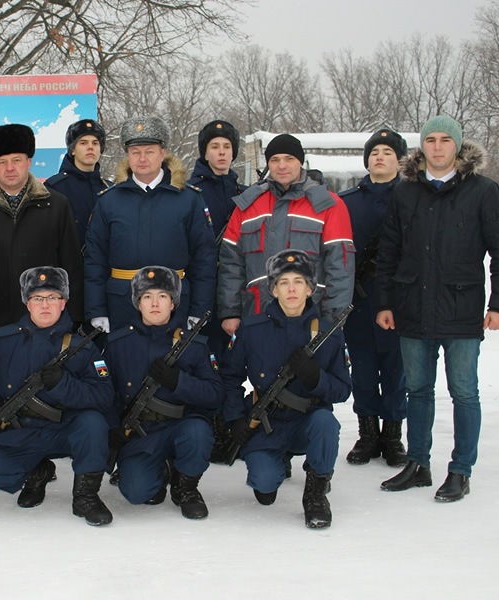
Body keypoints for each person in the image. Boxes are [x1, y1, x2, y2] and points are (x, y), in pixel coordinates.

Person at [376, 116, 499, 502]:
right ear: (423, 147)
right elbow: (388, 253)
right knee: (418, 390)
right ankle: (418, 463)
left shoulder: (483, 191)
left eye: (445, 140)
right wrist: (385, 303)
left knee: (464, 392)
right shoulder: (405, 193)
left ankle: (460, 471)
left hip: (460, 308)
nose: (437, 147)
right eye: (430, 140)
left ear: (457, 146)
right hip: (412, 309)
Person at [0, 266, 114, 526]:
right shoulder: (1, 340)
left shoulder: (82, 348)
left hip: (66, 429)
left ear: (64, 302)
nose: (45, 305)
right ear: (27, 303)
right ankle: (38, 471)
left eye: (53, 297)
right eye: (38, 298)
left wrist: (63, 384)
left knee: (93, 423)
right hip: (21, 430)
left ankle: (86, 497)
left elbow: (104, 396)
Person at [220, 250, 352, 529]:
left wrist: (316, 377)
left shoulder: (329, 334)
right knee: (264, 488)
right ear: (273, 290)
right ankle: (275, 463)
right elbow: (229, 377)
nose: (291, 288)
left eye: (298, 282)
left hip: (308, 421)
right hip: (267, 422)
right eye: (283, 282)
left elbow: (342, 391)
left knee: (326, 422)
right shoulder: (252, 329)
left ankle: (316, 490)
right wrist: (235, 418)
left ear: (309, 289)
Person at [104, 267, 224, 519]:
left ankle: (186, 486)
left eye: (162, 296)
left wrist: (178, 381)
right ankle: (162, 470)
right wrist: (112, 426)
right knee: (137, 493)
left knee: (198, 432)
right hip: (142, 434)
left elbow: (214, 395)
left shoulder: (195, 345)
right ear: (138, 303)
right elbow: (107, 393)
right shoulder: (119, 344)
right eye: (147, 297)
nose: (155, 303)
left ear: (173, 303)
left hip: (182, 426)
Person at [85, 115, 216, 333]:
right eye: (135, 152)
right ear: (127, 155)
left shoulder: (188, 199)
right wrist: (96, 309)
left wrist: (199, 309)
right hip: (122, 303)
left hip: (175, 304)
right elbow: (94, 260)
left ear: (162, 153)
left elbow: (205, 258)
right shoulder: (108, 201)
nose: (142, 158)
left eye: (149, 151)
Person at [0, 124, 83, 340]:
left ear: (28, 162)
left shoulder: (57, 205)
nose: (10, 168)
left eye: (16, 160)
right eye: (2, 162)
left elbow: (71, 263)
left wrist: (75, 312)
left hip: (46, 319)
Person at [217, 133, 355, 336]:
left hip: (312, 318)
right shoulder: (248, 205)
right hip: (257, 316)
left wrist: (335, 317)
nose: (282, 165)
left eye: (289, 159)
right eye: (275, 160)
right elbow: (231, 263)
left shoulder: (328, 205)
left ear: (300, 161)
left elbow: (341, 266)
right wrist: (230, 312)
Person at [339, 129, 408, 467]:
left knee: (397, 370)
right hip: (360, 299)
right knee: (363, 371)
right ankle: (368, 434)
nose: (379, 157)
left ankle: (393, 436)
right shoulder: (348, 201)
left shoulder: (412, 197)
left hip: (399, 298)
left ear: (400, 159)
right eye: (374, 152)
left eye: (387, 152)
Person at [187, 119, 245, 461]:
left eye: (226, 147)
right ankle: (201, 425)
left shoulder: (243, 190)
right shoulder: (191, 189)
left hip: (234, 289)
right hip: (200, 287)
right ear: (204, 152)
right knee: (200, 359)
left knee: (229, 361)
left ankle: (226, 425)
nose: (221, 153)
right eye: (214, 147)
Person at [45, 119, 111, 251]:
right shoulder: (55, 188)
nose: (90, 147)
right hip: (68, 267)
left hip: (105, 267)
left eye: (95, 143)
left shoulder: (110, 189)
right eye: (83, 143)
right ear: (73, 150)